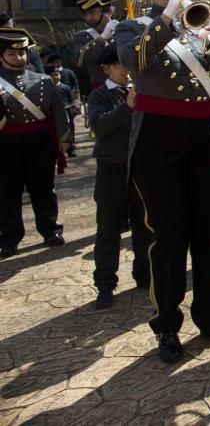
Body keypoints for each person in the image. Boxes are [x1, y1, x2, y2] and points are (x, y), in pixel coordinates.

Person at [115, 0, 210, 363]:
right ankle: (166, 324)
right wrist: (169, 15)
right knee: (169, 238)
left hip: (205, 138)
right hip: (158, 142)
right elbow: (134, 63)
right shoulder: (134, 26)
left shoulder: (205, 26)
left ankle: (209, 314)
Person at [87, 43, 152, 308]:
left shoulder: (141, 91)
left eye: (128, 65)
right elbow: (99, 126)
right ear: (106, 68)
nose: (125, 70)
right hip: (112, 168)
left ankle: (145, 274)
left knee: (144, 226)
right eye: (119, 65)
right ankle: (105, 284)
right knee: (109, 228)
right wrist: (126, 106)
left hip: (139, 167)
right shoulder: (99, 96)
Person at [0, 28, 70, 258]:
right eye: (12, 54)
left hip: (40, 141)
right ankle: (9, 238)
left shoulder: (43, 81)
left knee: (43, 188)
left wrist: (63, 139)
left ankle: (51, 230)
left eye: (22, 53)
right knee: (8, 192)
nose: (18, 58)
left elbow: (58, 113)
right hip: (6, 143)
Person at [73, 0, 122, 90]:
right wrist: (102, 39)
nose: (88, 18)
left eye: (92, 12)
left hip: (127, 86)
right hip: (101, 89)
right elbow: (78, 60)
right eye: (86, 14)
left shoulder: (122, 30)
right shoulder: (82, 36)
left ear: (108, 12)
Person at [45, 55, 80, 156]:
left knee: (69, 129)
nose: (55, 77)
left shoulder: (65, 87)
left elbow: (72, 99)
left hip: (66, 111)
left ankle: (70, 148)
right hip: (53, 113)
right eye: (52, 75)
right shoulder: (47, 88)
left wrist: (74, 107)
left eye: (57, 75)